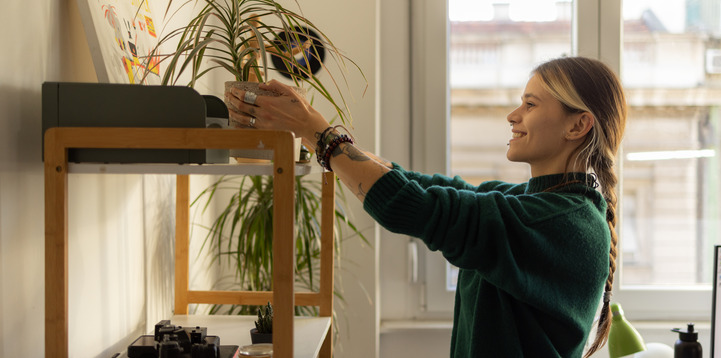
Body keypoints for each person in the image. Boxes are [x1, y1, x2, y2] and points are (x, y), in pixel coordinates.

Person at [225, 56, 627, 358]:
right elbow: (421, 187)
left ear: (578, 126)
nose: (513, 115)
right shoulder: (530, 203)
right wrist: (315, 132)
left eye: (531, 105)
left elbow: (412, 205)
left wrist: (314, 130)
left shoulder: (563, 223)